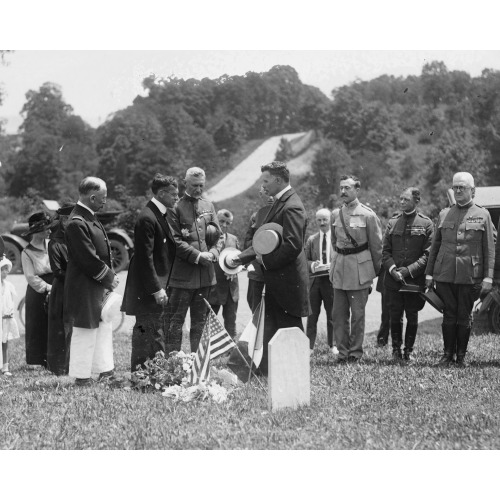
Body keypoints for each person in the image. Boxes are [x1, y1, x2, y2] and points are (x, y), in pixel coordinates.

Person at [233, 161, 311, 375]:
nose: (263, 185)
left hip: (287, 280)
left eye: (266, 180)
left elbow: (293, 245)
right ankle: (270, 370)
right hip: (278, 279)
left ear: (278, 180)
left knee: (289, 327)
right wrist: (239, 258)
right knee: (275, 325)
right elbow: (263, 241)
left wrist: (264, 262)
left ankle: (295, 372)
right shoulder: (281, 202)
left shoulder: (291, 205)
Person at [425, 172, 494, 366]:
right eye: (455, 187)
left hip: (470, 275)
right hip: (445, 274)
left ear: (472, 190)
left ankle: (461, 357)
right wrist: (429, 273)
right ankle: (447, 355)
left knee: (464, 316)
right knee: (449, 315)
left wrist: (488, 278)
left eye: (462, 187)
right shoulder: (444, 213)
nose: (458, 191)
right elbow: (435, 247)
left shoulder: (483, 214)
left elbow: (489, 249)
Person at [64, 177, 120, 386]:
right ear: (92, 197)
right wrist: (109, 278)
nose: (105, 202)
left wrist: (108, 279)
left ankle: (104, 370)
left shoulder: (89, 218)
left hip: (96, 284)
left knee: (103, 327)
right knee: (85, 331)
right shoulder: (77, 223)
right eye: (103, 198)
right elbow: (88, 258)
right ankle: (82, 376)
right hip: (84, 285)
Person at [122, 174, 179, 371]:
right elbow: (144, 258)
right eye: (174, 194)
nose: (176, 198)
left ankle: (152, 375)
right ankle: (143, 377)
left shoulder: (159, 214)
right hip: (147, 289)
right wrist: (156, 289)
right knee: (148, 332)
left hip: (154, 286)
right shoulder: (148, 217)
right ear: (161, 193)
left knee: (153, 331)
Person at [164, 167, 221, 355]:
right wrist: (197, 256)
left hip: (205, 277)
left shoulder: (209, 206)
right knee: (175, 322)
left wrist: (213, 253)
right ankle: (173, 364)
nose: (199, 189)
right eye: (195, 185)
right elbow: (175, 241)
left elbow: (218, 236)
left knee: (201, 323)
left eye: (201, 185)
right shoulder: (175, 208)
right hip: (182, 278)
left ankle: (199, 364)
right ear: (185, 183)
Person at [330, 174, 383, 363]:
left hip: (359, 271)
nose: (343, 191)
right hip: (339, 270)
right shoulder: (336, 215)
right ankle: (342, 352)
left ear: (357, 190)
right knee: (338, 315)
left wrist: (372, 273)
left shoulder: (368, 215)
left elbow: (377, 247)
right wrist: (333, 266)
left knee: (357, 316)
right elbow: (334, 243)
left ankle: (355, 353)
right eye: (341, 188)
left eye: (348, 188)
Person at [382, 188, 434, 361]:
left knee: (412, 315)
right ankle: (396, 350)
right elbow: (385, 252)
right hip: (393, 280)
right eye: (401, 199)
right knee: (395, 315)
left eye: (406, 199)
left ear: (416, 201)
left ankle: (408, 351)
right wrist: (392, 270)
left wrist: (408, 270)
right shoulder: (393, 222)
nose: (402, 202)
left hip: (413, 281)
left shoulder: (426, 224)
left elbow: (428, 255)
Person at [21, 212, 54, 369]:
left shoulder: (52, 244)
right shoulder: (27, 252)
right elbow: (31, 277)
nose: (49, 231)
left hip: (55, 289)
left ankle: (54, 359)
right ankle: (39, 361)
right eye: (46, 228)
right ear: (37, 231)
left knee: (54, 325)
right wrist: (49, 288)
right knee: (38, 325)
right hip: (38, 292)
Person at [305, 208, 338, 355]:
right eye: (319, 220)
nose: (322, 222)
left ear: (330, 219)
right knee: (312, 316)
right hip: (315, 282)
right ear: (316, 221)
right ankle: (309, 346)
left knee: (332, 315)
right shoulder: (312, 239)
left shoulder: (336, 239)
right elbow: (304, 260)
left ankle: (333, 345)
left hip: (331, 281)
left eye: (325, 219)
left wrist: (334, 264)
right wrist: (313, 265)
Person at [47, 202, 75, 375]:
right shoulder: (55, 243)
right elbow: (57, 271)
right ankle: (62, 367)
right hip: (63, 289)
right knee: (64, 327)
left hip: (75, 287)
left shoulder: (74, 237)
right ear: (64, 220)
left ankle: (75, 363)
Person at [208, 209, 239, 338]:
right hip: (214, 288)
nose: (225, 226)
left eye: (228, 223)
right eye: (221, 222)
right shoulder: (208, 238)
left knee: (231, 322)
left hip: (231, 290)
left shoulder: (234, 239)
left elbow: (238, 260)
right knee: (209, 322)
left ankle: (232, 351)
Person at [244, 187, 273, 313]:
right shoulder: (255, 217)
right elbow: (247, 241)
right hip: (257, 266)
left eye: (273, 193)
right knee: (253, 300)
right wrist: (260, 246)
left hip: (275, 267)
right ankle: (256, 329)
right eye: (266, 193)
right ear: (261, 195)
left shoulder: (284, 215)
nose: (271, 197)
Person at [0, 257, 20, 376]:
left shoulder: (8, 286)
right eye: (3, 270)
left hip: (5, 317)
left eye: (7, 270)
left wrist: (10, 311)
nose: (5, 272)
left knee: (5, 341)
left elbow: (10, 300)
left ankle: (5, 367)